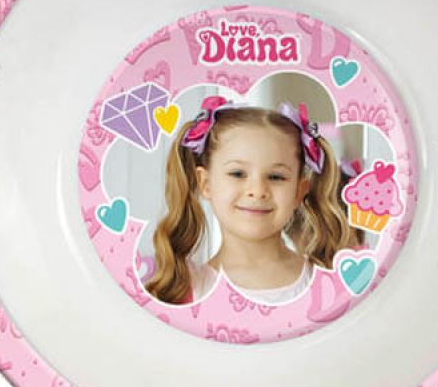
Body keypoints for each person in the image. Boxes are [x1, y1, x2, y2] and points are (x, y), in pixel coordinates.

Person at [145, 95, 351, 305]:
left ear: (299, 191)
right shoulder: (180, 292)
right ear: (206, 183)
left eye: (275, 177)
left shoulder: (329, 286)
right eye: (237, 173)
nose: (258, 191)